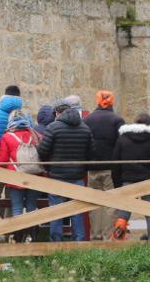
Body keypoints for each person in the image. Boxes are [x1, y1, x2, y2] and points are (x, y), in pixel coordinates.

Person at [38, 102, 94, 242]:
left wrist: (49, 166)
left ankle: (56, 242)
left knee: (56, 210)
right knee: (77, 211)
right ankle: (79, 242)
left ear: (57, 113)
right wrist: (82, 168)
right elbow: (91, 153)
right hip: (77, 176)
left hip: (57, 175)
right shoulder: (85, 128)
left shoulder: (53, 127)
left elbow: (42, 151)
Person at [0, 109, 41, 242]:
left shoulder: (6, 137)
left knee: (17, 208)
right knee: (32, 208)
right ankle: (33, 238)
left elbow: (2, 160)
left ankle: (18, 240)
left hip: (15, 178)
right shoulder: (36, 135)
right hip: (35, 176)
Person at [85, 90, 124, 240]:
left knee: (94, 204)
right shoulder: (117, 120)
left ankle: (95, 236)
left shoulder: (88, 120)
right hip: (110, 169)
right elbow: (122, 144)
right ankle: (108, 238)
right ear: (112, 102)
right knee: (110, 204)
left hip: (92, 168)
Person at [110, 114, 150, 240]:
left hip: (128, 179)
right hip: (147, 181)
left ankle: (119, 234)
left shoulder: (123, 138)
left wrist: (117, 184)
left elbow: (115, 163)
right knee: (149, 210)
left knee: (124, 210)